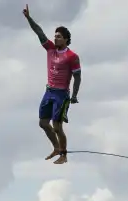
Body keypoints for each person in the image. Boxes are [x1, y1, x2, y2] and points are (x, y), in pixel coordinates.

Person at [22, 4, 82, 164]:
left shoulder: (72, 56)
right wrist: (29, 18)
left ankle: (64, 155)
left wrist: (74, 95)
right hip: (49, 92)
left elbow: (78, 77)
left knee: (57, 126)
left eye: (59, 37)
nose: (55, 38)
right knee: (43, 123)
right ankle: (56, 147)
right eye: (55, 36)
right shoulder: (50, 49)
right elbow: (39, 32)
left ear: (66, 40)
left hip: (61, 94)